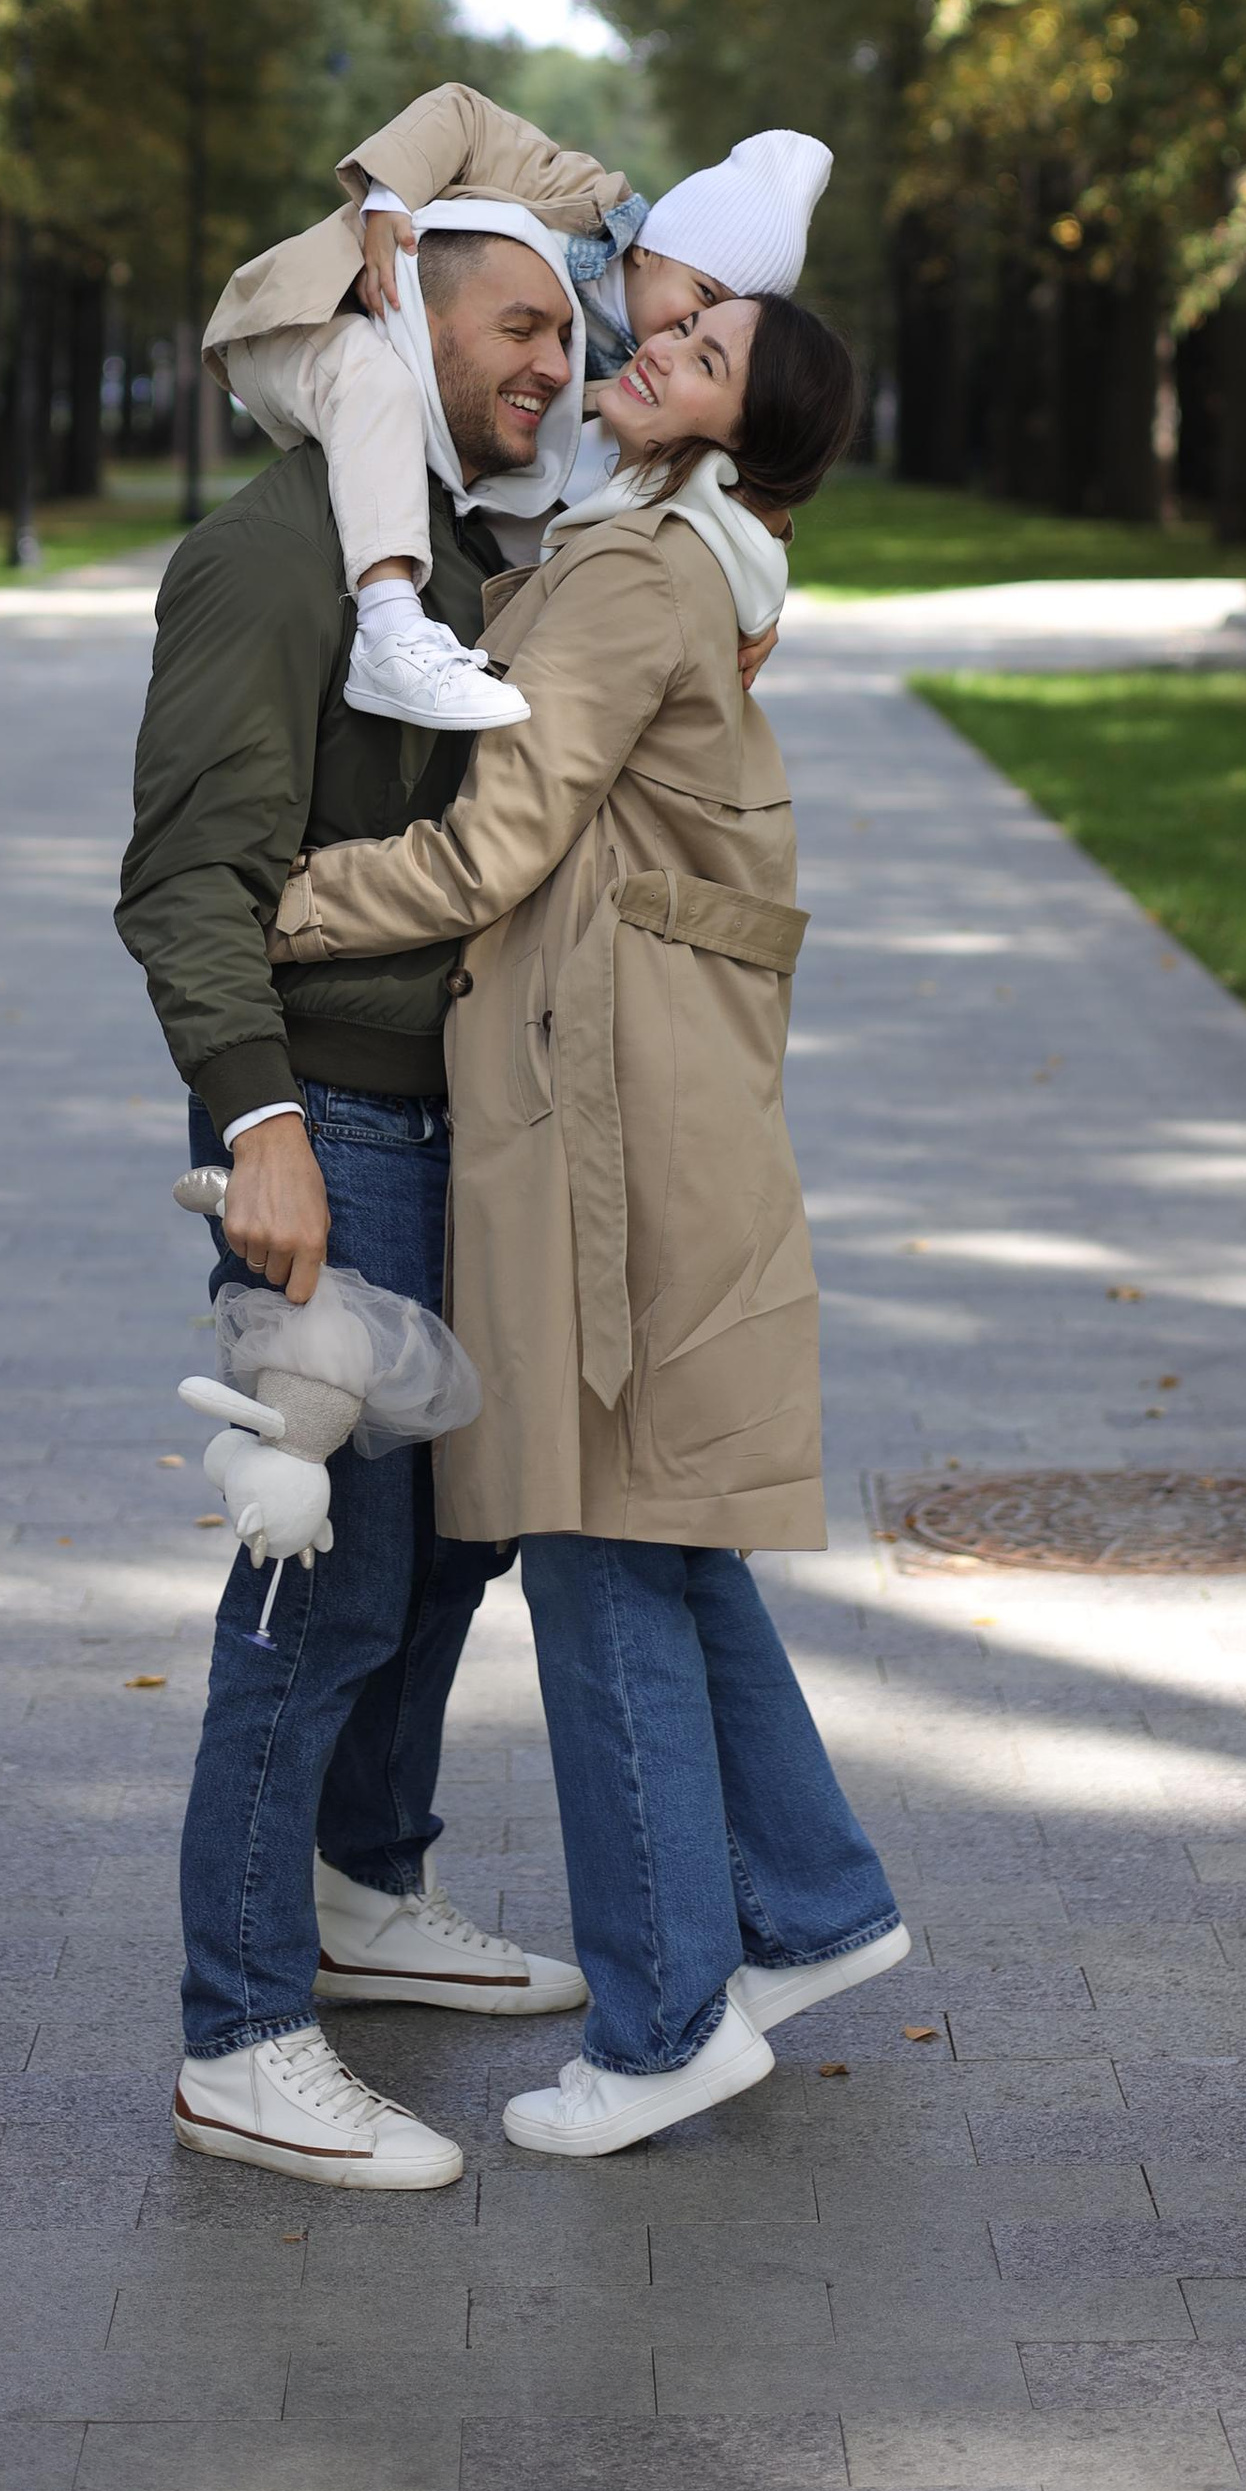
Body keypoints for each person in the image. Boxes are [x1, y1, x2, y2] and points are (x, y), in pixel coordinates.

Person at [266, 288, 910, 2159]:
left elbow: (494, 849)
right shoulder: (639, 544)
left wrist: (283, 900)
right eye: (672, 327)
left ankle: (665, 2028)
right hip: (629, 1084)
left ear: (734, 435)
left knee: (599, 1535)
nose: (650, 351)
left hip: (608, 1117)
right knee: (665, 1534)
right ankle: (816, 1906)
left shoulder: (631, 579)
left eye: (698, 359)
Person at [116, 205, 593, 2197]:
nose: (552, 367)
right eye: (517, 327)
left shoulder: (467, 558)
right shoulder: (266, 555)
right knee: (316, 1591)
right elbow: (181, 881)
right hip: (341, 1123)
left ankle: (361, 1887)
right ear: (398, 322)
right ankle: (241, 2033)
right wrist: (262, 1131)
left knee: (446, 1555)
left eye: (571, 340)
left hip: (457, 1121)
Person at [208, 85, 833, 730]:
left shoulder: (634, 378)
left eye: (710, 336)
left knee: (544, 491)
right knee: (380, 381)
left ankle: (475, 668)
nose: (684, 331)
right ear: (652, 249)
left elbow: (729, 457)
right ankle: (389, 626)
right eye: (698, 300)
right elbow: (462, 115)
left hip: (402, 410)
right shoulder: (587, 199)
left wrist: (753, 590)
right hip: (315, 319)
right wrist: (387, 199)